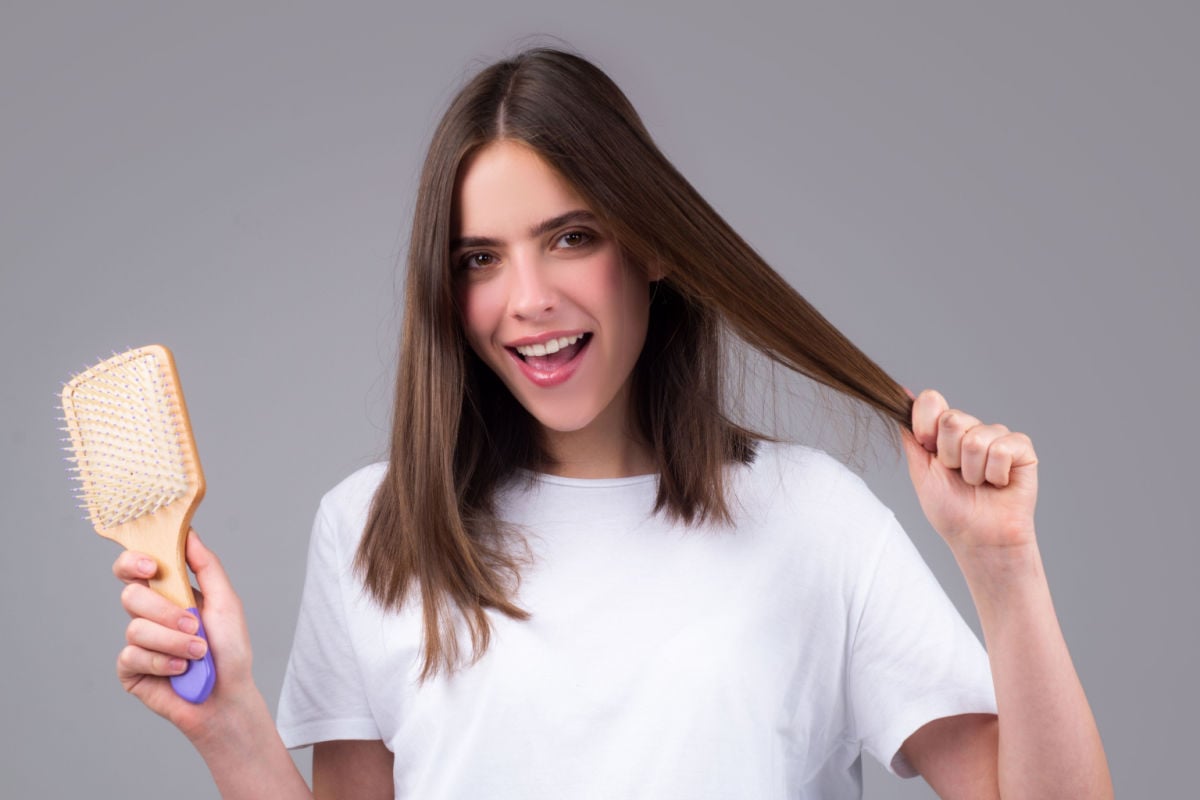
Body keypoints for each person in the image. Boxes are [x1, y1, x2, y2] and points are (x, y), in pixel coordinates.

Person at [111, 46, 1112, 799]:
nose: (527, 298)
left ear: (653, 245)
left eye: (571, 238)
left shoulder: (813, 518)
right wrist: (230, 720)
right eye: (481, 259)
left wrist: (1003, 566)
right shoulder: (374, 528)